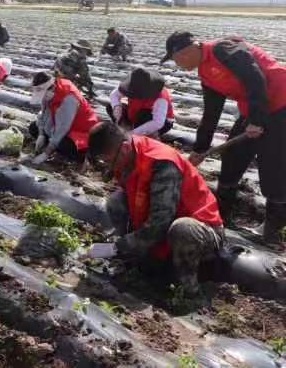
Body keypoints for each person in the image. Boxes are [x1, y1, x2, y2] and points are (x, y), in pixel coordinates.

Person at [161, 31, 286, 245]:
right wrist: (199, 150)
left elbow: (255, 77)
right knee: (232, 156)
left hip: (281, 103)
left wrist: (257, 119)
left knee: (272, 166)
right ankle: (222, 217)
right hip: (254, 109)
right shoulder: (205, 74)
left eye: (176, 60)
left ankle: (272, 232)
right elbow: (211, 114)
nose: (178, 65)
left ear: (186, 51)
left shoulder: (222, 49)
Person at [86, 122, 224, 300]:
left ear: (125, 148)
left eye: (109, 161)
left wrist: (116, 247)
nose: (110, 167)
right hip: (161, 229)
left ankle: (190, 293)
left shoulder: (162, 164)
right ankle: (135, 259)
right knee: (116, 202)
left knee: (183, 229)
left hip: (200, 232)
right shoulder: (128, 155)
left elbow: (160, 224)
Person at [28, 71, 99, 165]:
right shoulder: (49, 94)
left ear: (52, 88)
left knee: (63, 145)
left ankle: (81, 156)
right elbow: (43, 114)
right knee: (33, 127)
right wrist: (41, 134)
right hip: (59, 123)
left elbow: (62, 128)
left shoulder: (68, 98)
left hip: (80, 133)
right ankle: (49, 144)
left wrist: (46, 153)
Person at [108, 67, 175, 137]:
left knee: (144, 114)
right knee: (111, 106)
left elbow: (158, 123)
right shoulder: (131, 86)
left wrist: (132, 133)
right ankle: (125, 127)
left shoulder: (161, 98)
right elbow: (114, 94)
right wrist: (117, 107)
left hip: (158, 121)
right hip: (135, 113)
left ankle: (140, 134)